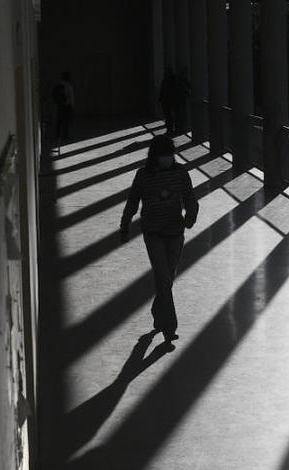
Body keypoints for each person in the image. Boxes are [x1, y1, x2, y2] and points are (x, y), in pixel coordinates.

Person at [120, 135, 199, 346]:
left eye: (170, 155)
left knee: (167, 279)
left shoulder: (181, 173)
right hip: (153, 234)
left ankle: (157, 310)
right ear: (155, 156)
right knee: (164, 279)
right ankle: (169, 328)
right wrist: (125, 224)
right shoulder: (143, 175)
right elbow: (133, 201)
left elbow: (190, 197)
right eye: (164, 156)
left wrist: (190, 216)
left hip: (175, 233)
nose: (168, 159)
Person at [53, 71, 75, 142]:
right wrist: (72, 106)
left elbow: (54, 95)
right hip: (67, 106)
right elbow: (71, 98)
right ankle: (65, 136)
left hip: (60, 105)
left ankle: (57, 135)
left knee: (59, 121)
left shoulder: (58, 85)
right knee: (66, 122)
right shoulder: (69, 86)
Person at [159, 67, 178, 134]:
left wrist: (160, 98)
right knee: (169, 115)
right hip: (169, 100)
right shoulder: (172, 80)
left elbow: (162, 90)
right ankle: (170, 129)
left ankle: (169, 129)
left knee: (168, 115)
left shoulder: (166, 80)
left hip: (167, 100)